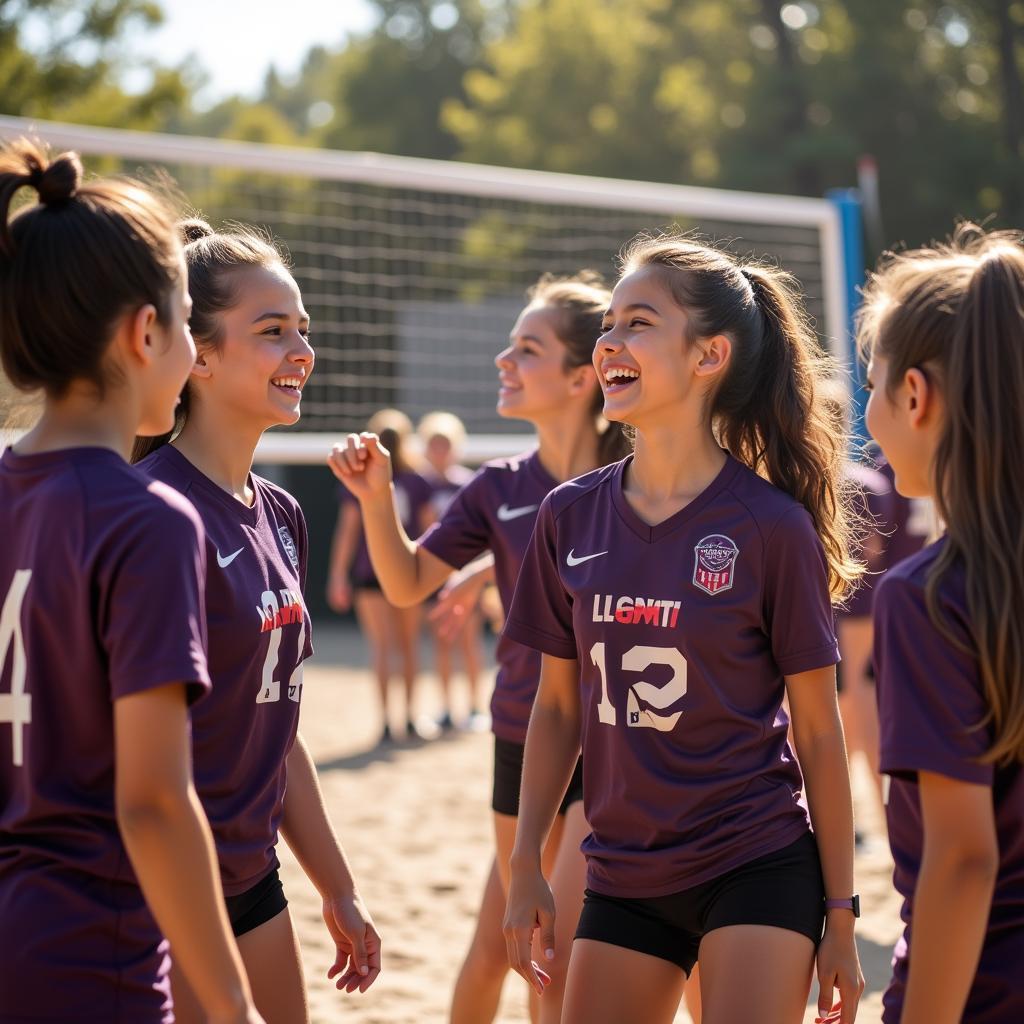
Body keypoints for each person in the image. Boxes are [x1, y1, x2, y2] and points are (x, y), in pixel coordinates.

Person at [503, 236, 865, 1024]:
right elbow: (559, 708)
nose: (609, 342)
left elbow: (819, 733)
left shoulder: (771, 527)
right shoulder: (569, 514)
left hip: (756, 860)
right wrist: (528, 860)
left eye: (638, 322)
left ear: (709, 356)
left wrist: (841, 914)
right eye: (608, 323)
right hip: (624, 871)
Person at [0, 142, 261, 1023]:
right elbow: (152, 802)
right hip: (85, 950)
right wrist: (231, 1003)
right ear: (144, 333)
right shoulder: (148, 518)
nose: (191, 351)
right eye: (188, 323)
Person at [328, 272, 629, 1024]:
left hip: (618, 739)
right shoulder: (497, 488)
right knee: (505, 948)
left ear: (580, 376)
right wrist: (374, 501)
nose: (503, 359)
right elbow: (402, 583)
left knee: (552, 950)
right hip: (523, 735)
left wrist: (483, 580)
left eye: (526, 348)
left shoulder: (643, 481)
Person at [134, 219, 380, 1023]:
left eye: (302, 329)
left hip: (254, 877)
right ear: (196, 354)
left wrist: (336, 887)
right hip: (164, 886)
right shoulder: (155, 514)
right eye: (272, 332)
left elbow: (276, 721)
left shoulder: (279, 512)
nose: (300, 351)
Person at [860, 224, 1024, 1024]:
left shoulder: (930, 596)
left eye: (874, 382)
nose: (869, 408)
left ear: (916, 397)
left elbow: (962, 859)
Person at [328, 408, 434, 742]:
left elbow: (347, 531)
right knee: (405, 647)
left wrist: (338, 576)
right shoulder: (416, 479)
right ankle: (405, 719)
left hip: (377, 572)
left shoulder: (375, 476)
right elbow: (432, 531)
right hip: (403, 570)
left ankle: (391, 721)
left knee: (385, 648)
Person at [418, 410, 486, 730]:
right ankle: (446, 709)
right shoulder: (419, 485)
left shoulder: (468, 483)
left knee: (469, 642)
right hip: (434, 577)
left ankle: (474, 707)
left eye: (445, 443)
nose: (440, 450)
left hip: (466, 575)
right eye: (434, 443)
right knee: (442, 643)